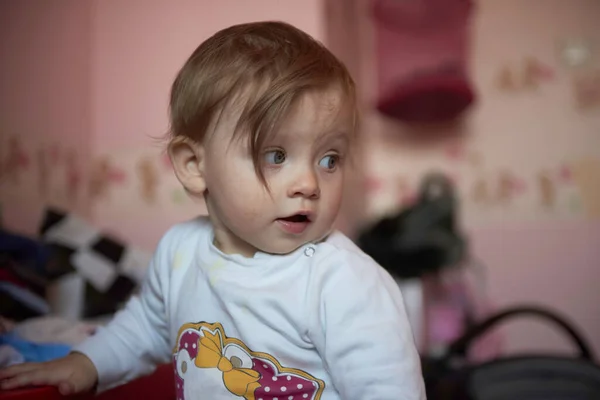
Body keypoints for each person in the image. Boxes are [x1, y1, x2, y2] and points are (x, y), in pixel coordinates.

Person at [0, 21, 424, 399]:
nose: (309, 184)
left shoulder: (344, 281)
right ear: (194, 165)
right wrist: (86, 363)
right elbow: (145, 328)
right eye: (275, 155)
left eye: (330, 159)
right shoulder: (181, 252)